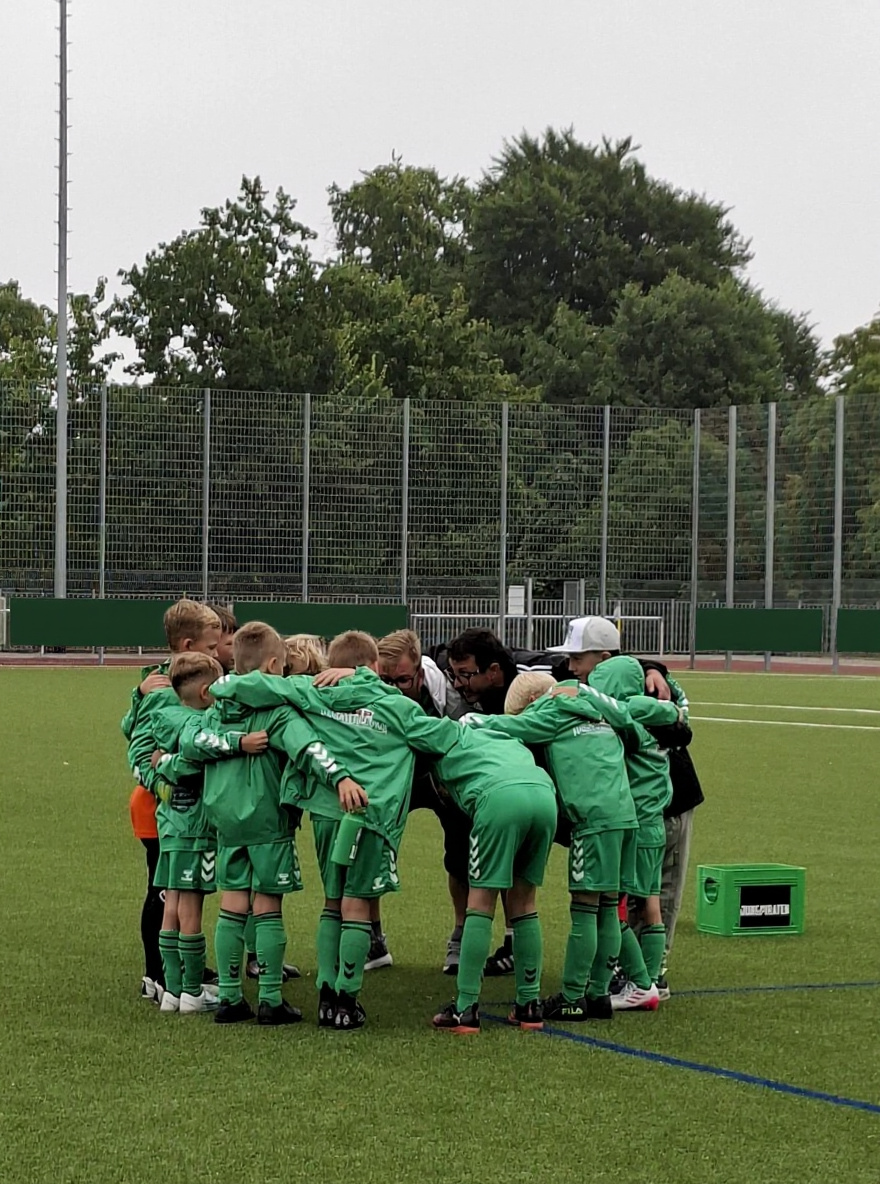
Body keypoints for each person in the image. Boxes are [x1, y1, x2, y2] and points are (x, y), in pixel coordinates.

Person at [209, 631, 462, 1032]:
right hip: (368, 812)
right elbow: (448, 737)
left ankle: (325, 993)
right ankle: (345, 998)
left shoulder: (313, 692)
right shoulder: (395, 704)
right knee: (356, 905)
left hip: (325, 812)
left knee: (332, 902)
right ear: (375, 667)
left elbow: (241, 684)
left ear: (333, 667)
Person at [169, 622, 364, 1027]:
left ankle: (229, 997)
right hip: (266, 822)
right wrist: (341, 777)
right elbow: (310, 749)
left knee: (232, 904)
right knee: (268, 906)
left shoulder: (217, 704)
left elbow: (189, 743)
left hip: (224, 821)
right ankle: (271, 999)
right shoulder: (275, 711)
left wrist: (231, 741)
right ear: (275, 665)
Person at [472, 670, 639, 1021]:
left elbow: (506, 728)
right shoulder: (595, 707)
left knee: (584, 910)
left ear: (533, 702)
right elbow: (632, 725)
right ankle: (598, 994)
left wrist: (469, 719)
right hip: (625, 815)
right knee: (609, 906)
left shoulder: (549, 711)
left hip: (592, 820)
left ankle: (573, 997)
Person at [141, 651, 269, 1014]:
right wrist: (239, 744)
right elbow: (198, 752)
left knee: (174, 903)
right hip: (195, 829)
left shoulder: (164, 715)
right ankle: (193, 991)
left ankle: (173, 990)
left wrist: (163, 763)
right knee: (191, 905)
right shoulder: (196, 724)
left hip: (169, 825)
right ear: (205, 693)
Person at [121, 598, 222, 1001]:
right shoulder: (165, 685)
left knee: (173, 890)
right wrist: (167, 783)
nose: (218, 655)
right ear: (186, 644)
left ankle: (174, 971)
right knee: (164, 890)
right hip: (162, 805)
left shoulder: (168, 681)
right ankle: (161, 974)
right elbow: (138, 744)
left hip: (171, 804)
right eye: (212, 648)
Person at [429, 722, 558, 1034]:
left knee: (481, 901)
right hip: (544, 795)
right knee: (525, 902)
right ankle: (529, 1005)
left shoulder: (441, 743)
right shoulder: (506, 735)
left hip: (499, 798)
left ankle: (465, 1008)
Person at [586, 654, 684, 1010]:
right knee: (651, 903)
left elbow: (607, 706)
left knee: (614, 906)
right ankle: (653, 977)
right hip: (654, 822)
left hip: (636, 824)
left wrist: (571, 690)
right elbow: (677, 707)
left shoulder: (627, 713)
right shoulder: (659, 713)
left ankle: (640, 982)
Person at [368, 629, 470, 975]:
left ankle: (461, 934)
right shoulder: (366, 688)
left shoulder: (449, 692)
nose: (394, 689)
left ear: (420, 674)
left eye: (402, 680)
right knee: (370, 844)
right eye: (385, 680)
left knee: (460, 852)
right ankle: (372, 938)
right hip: (393, 773)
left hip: (439, 772)